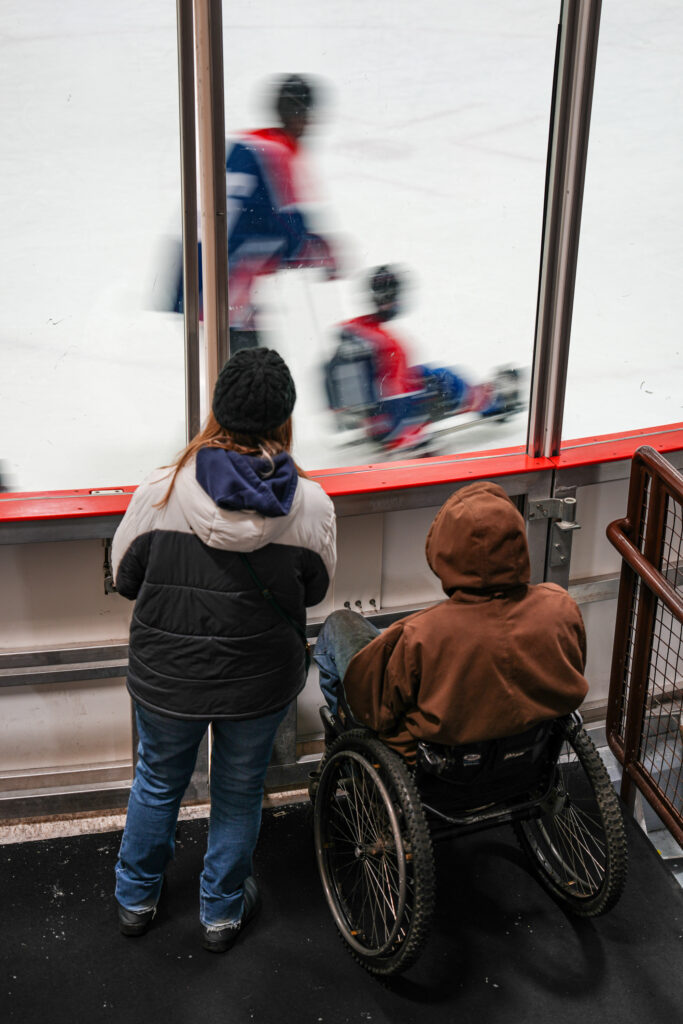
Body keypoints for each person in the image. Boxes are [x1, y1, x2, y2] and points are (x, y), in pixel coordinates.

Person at [111, 348, 336, 952]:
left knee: (158, 781)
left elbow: (126, 577)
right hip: (257, 682)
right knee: (238, 792)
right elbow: (315, 589)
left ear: (217, 410)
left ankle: (135, 898)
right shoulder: (311, 504)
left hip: (168, 676)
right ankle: (221, 911)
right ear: (285, 418)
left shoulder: (161, 490)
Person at [314, 480, 587, 762]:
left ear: (444, 551)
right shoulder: (560, 606)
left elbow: (374, 711)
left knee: (340, 624)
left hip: (439, 769)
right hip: (529, 758)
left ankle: (344, 756)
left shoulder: (421, 634)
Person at [175, 74, 336, 351]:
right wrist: (322, 253)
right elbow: (290, 234)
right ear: (302, 117)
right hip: (223, 287)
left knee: (238, 366)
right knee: (252, 372)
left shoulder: (246, 144)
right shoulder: (279, 151)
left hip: (193, 272)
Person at [325, 266, 518, 454]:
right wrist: (411, 438)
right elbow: (395, 396)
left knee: (427, 372)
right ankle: (494, 401)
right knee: (448, 381)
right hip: (392, 424)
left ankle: (486, 395)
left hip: (373, 417)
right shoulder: (390, 345)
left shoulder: (356, 330)